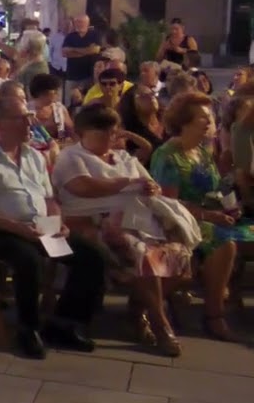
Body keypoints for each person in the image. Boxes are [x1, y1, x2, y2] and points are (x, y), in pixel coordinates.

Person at [0, 95, 108, 359]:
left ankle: (63, 324)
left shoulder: (34, 157)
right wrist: (18, 228)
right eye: (22, 118)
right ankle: (28, 329)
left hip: (38, 227)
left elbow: (49, 198)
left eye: (29, 117)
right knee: (28, 260)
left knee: (92, 258)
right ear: (0, 123)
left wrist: (57, 222)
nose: (30, 122)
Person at [52, 106, 192, 357]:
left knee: (180, 256)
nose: (108, 137)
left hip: (139, 221)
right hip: (93, 221)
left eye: (112, 131)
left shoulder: (125, 158)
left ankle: (137, 311)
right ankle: (160, 324)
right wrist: (128, 183)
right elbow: (83, 187)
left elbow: (151, 184)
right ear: (83, 132)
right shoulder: (72, 157)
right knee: (144, 255)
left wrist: (150, 188)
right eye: (101, 132)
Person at [149, 92, 242, 342]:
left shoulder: (201, 152)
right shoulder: (168, 155)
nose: (209, 122)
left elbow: (217, 187)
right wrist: (208, 215)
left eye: (209, 117)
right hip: (175, 222)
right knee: (225, 242)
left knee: (239, 234)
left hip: (209, 217)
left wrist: (230, 206)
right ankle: (214, 314)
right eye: (203, 117)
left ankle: (217, 301)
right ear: (185, 121)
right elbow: (169, 205)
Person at [62, 15, 101, 101]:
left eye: (81, 22)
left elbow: (95, 50)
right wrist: (87, 51)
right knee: (69, 101)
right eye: (77, 22)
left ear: (87, 23)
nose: (79, 24)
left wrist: (73, 50)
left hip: (88, 75)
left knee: (86, 100)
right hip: (72, 76)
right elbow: (64, 53)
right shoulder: (70, 36)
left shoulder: (94, 35)